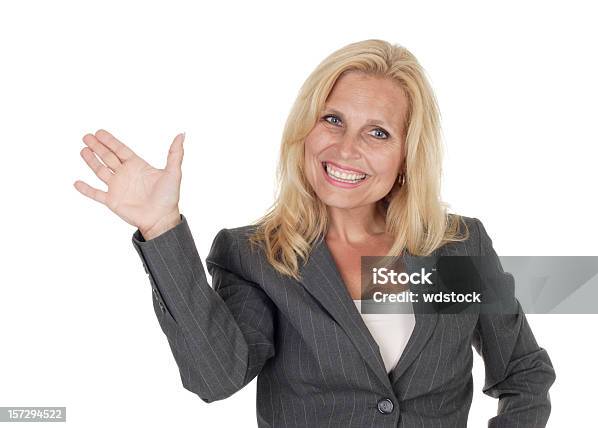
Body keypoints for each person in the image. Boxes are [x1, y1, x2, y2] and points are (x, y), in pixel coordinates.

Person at [74, 39, 555, 427]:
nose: (346, 149)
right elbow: (215, 378)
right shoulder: (255, 256)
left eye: (378, 133)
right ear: (305, 129)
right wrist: (162, 229)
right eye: (333, 120)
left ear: (409, 156)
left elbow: (523, 371)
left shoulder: (454, 249)